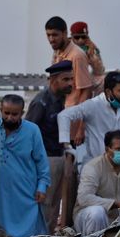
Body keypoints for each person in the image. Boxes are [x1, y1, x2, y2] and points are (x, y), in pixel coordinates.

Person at [0, 94, 50, 237]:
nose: (10, 117)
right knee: (3, 233)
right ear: (1, 110)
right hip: (1, 193)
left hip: (26, 191)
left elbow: (41, 161)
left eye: (14, 114)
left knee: (28, 236)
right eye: (6, 113)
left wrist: (42, 186)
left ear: (22, 113)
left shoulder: (32, 130)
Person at [26, 60, 73, 233]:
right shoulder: (41, 102)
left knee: (54, 205)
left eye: (71, 79)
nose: (70, 83)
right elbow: (27, 132)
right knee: (44, 204)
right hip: (45, 159)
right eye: (66, 79)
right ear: (53, 80)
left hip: (57, 156)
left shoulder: (59, 99)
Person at [74, 130, 120, 234]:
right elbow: (84, 198)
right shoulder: (93, 167)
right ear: (107, 149)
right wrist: (114, 203)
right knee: (97, 213)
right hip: (88, 217)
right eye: (119, 149)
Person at [45, 16, 92, 145]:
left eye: (55, 35)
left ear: (65, 33)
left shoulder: (77, 56)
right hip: (57, 116)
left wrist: (81, 128)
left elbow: (87, 91)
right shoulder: (58, 52)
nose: (51, 39)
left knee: (70, 162)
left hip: (72, 124)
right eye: (48, 35)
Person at [70, 21, 105, 93]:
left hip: (85, 78)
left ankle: (96, 103)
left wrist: (91, 55)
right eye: (77, 37)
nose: (80, 40)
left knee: (103, 80)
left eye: (83, 37)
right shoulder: (65, 46)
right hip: (69, 78)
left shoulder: (91, 47)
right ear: (72, 36)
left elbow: (100, 71)